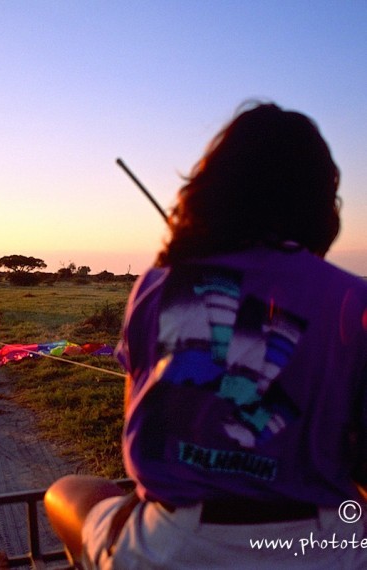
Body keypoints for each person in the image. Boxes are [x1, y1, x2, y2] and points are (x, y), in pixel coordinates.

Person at [44, 102, 367, 568]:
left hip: (176, 543)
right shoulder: (353, 299)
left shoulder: (159, 285)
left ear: (212, 193)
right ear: (321, 203)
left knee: (67, 492)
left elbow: (143, 433)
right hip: (324, 543)